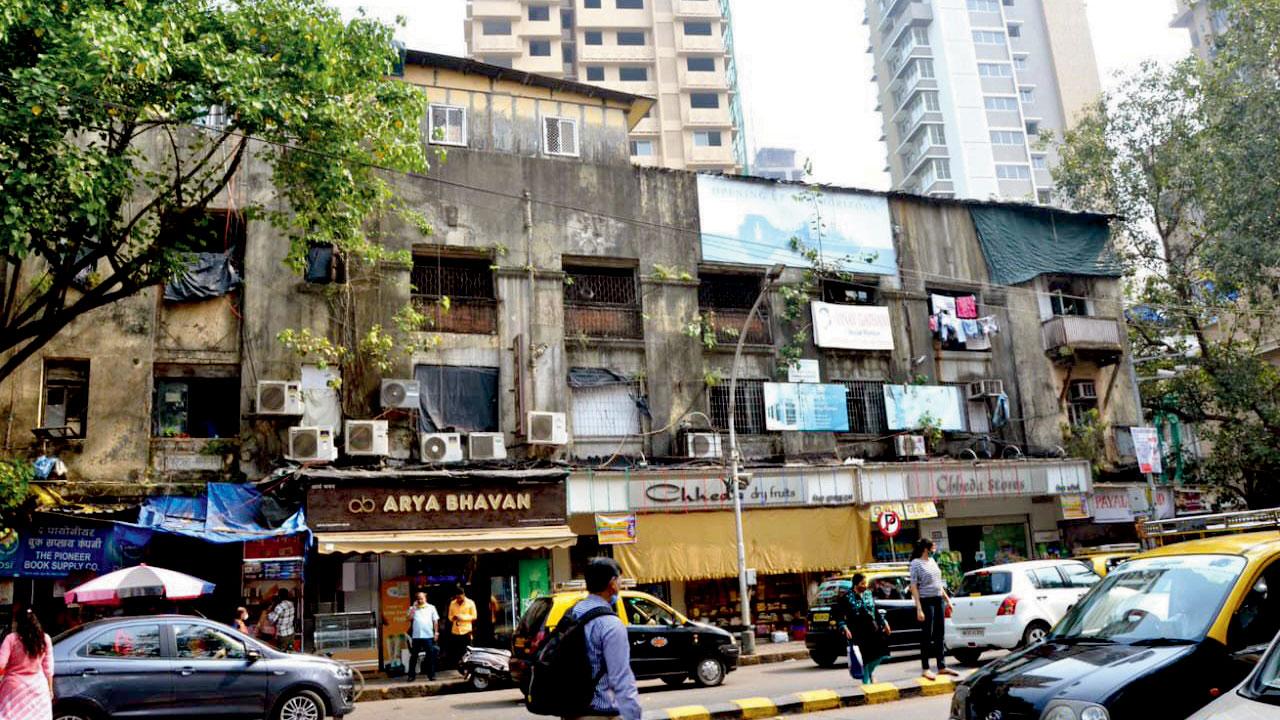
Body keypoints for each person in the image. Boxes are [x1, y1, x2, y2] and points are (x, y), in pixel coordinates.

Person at [563, 557, 641, 720]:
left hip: (571, 711)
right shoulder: (610, 624)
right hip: (600, 712)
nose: (621, 585)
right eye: (619, 579)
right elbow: (621, 679)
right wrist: (633, 715)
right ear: (612, 583)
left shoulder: (572, 613)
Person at [909, 538, 956, 680]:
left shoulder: (932, 561)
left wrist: (947, 600)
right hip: (926, 601)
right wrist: (919, 608)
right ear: (925, 549)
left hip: (938, 600)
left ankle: (941, 666)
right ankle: (926, 668)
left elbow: (938, 584)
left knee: (939, 633)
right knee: (927, 635)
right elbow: (913, 586)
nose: (934, 550)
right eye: (933, 548)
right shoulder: (916, 563)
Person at [835, 573, 891, 684]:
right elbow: (839, 615)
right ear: (856, 584)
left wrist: (884, 623)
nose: (865, 586)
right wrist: (845, 628)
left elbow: (875, 610)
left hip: (873, 629)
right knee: (865, 658)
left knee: (882, 653)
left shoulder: (868, 594)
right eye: (862, 584)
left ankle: (870, 672)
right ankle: (866, 683)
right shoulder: (846, 597)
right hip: (858, 631)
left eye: (865, 583)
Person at [0, 608, 54, 720]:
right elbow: (48, 669)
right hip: (38, 687)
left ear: (18, 623)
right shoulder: (45, 639)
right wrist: (50, 690)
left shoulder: (11, 639)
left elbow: (1, 664)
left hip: (13, 688)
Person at [406, 591, 440, 682]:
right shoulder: (412, 608)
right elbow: (409, 618)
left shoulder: (431, 608)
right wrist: (413, 608)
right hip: (416, 636)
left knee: (430, 656)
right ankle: (411, 675)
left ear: (425, 598)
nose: (420, 600)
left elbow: (435, 621)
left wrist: (436, 632)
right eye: (418, 599)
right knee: (414, 656)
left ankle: (431, 675)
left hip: (428, 635)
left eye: (422, 598)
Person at [446, 585, 477, 668]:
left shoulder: (470, 603)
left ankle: (469, 667)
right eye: (457, 597)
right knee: (457, 651)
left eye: (460, 597)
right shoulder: (452, 603)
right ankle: (460, 668)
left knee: (468, 651)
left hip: (466, 630)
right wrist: (453, 618)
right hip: (456, 630)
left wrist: (462, 617)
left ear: (463, 595)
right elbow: (449, 616)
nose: (458, 599)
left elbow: (474, 616)